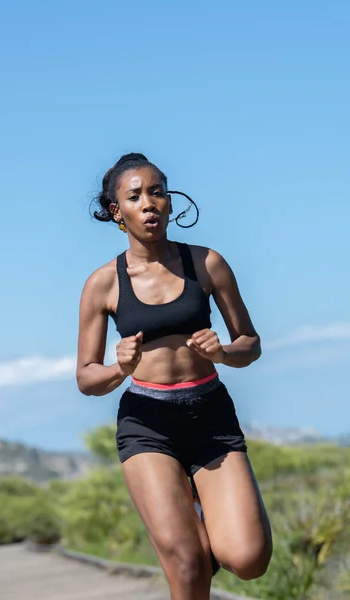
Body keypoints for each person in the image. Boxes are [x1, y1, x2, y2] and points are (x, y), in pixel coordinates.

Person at [76, 153, 272, 600]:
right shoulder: (103, 284)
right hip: (147, 424)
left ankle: (200, 518)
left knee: (248, 559)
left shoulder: (207, 264)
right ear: (116, 211)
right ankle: (185, 537)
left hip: (211, 417)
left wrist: (222, 351)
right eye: (135, 196)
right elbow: (87, 378)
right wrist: (119, 368)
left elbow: (251, 343)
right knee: (187, 566)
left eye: (157, 191)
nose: (149, 203)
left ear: (169, 201)